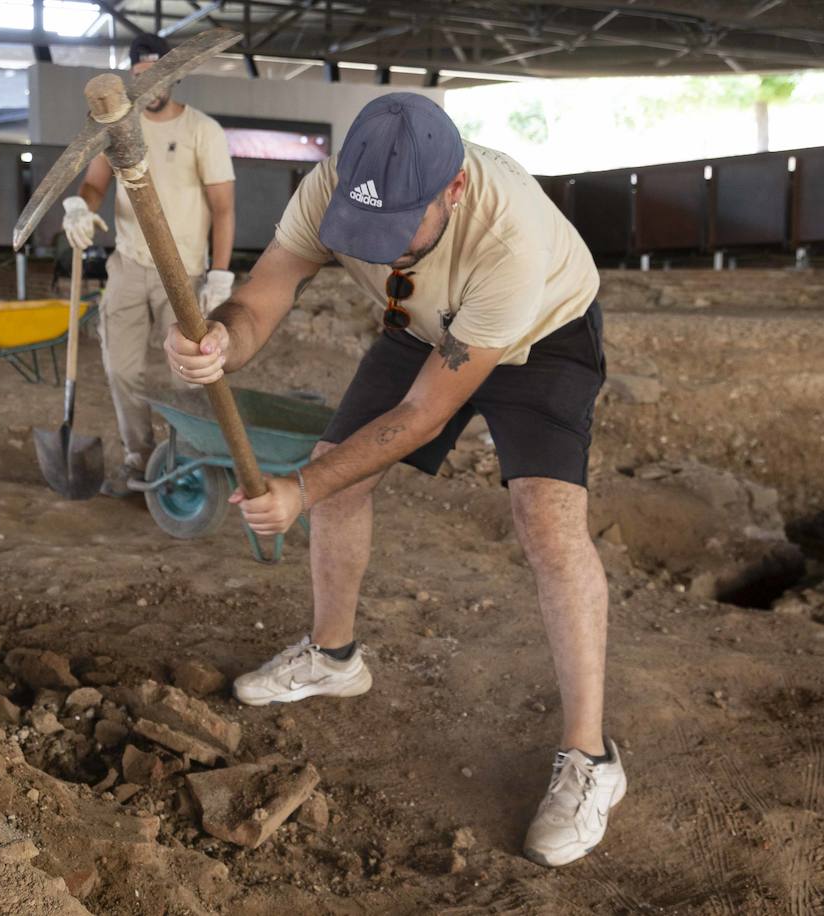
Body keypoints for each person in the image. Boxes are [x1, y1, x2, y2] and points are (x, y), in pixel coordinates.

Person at [164, 93, 621, 867]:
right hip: (424, 324)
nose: (382, 247)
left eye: (399, 229)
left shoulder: (509, 235)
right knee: (344, 479)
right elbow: (268, 289)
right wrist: (221, 341)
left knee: (546, 519)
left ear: (454, 191)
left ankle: (591, 761)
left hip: (542, 334)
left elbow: (420, 416)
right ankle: (334, 658)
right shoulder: (337, 187)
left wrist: (300, 488)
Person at [61, 32, 237, 496]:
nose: (149, 86)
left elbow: (223, 208)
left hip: (182, 271)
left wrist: (219, 274)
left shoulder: (203, 131)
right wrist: (80, 207)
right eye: (139, 77)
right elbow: (96, 185)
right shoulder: (117, 129)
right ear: (130, 79)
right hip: (129, 264)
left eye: (157, 75)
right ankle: (139, 458)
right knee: (121, 367)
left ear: (174, 75)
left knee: (192, 372)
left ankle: (193, 460)